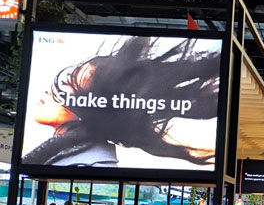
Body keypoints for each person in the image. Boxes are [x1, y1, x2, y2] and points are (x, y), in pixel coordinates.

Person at [22, 36, 220, 167]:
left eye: (66, 86)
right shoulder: (68, 153)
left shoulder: (90, 164)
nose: (50, 91)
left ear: (91, 110)